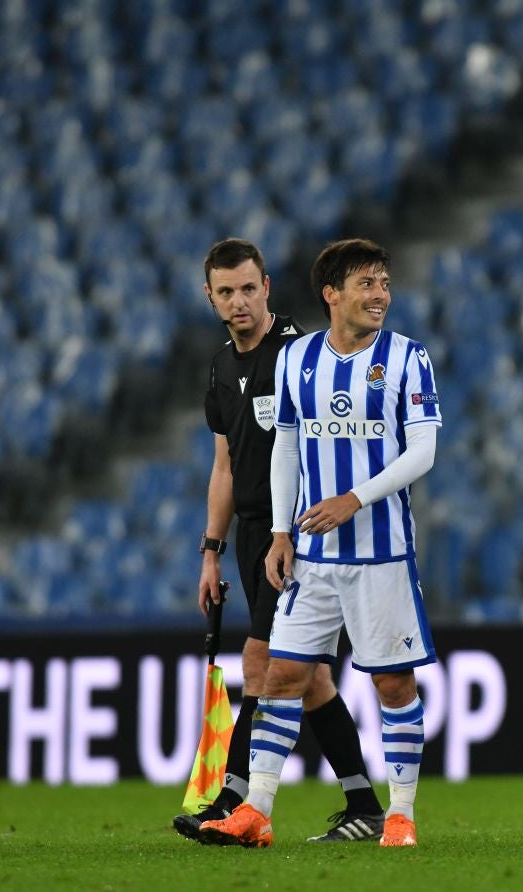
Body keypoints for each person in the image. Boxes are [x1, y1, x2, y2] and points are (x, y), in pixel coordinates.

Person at [200, 238, 440, 849]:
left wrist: (353, 500)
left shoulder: (410, 359)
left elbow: (423, 452)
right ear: (332, 294)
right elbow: (284, 445)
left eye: (383, 282)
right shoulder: (298, 358)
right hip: (312, 555)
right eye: (366, 283)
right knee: (281, 676)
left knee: (392, 686)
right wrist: (281, 531)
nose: (380, 293)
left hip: (380, 555)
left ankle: (401, 813)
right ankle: (256, 809)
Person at [175, 238, 384, 844]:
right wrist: (210, 552)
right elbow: (224, 466)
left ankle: (232, 800)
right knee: (309, 678)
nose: (238, 302)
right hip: (249, 536)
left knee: (262, 665)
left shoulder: (301, 354)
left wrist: (294, 527)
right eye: (225, 292)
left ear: (267, 287)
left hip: (295, 533)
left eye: (248, 288)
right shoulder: (220, 367)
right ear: (210, 298)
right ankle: (363, 804)